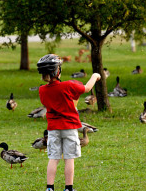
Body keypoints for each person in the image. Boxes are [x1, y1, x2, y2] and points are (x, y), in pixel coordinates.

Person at [37, 54, 101, 191]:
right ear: (57, 71)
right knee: (69, 158)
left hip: (53, 129)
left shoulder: (42, 90)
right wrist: (95, 76)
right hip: (69, 128)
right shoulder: (68, 86)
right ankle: (68, 188)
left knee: (53, 158)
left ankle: (49, 188)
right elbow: (87, 88)